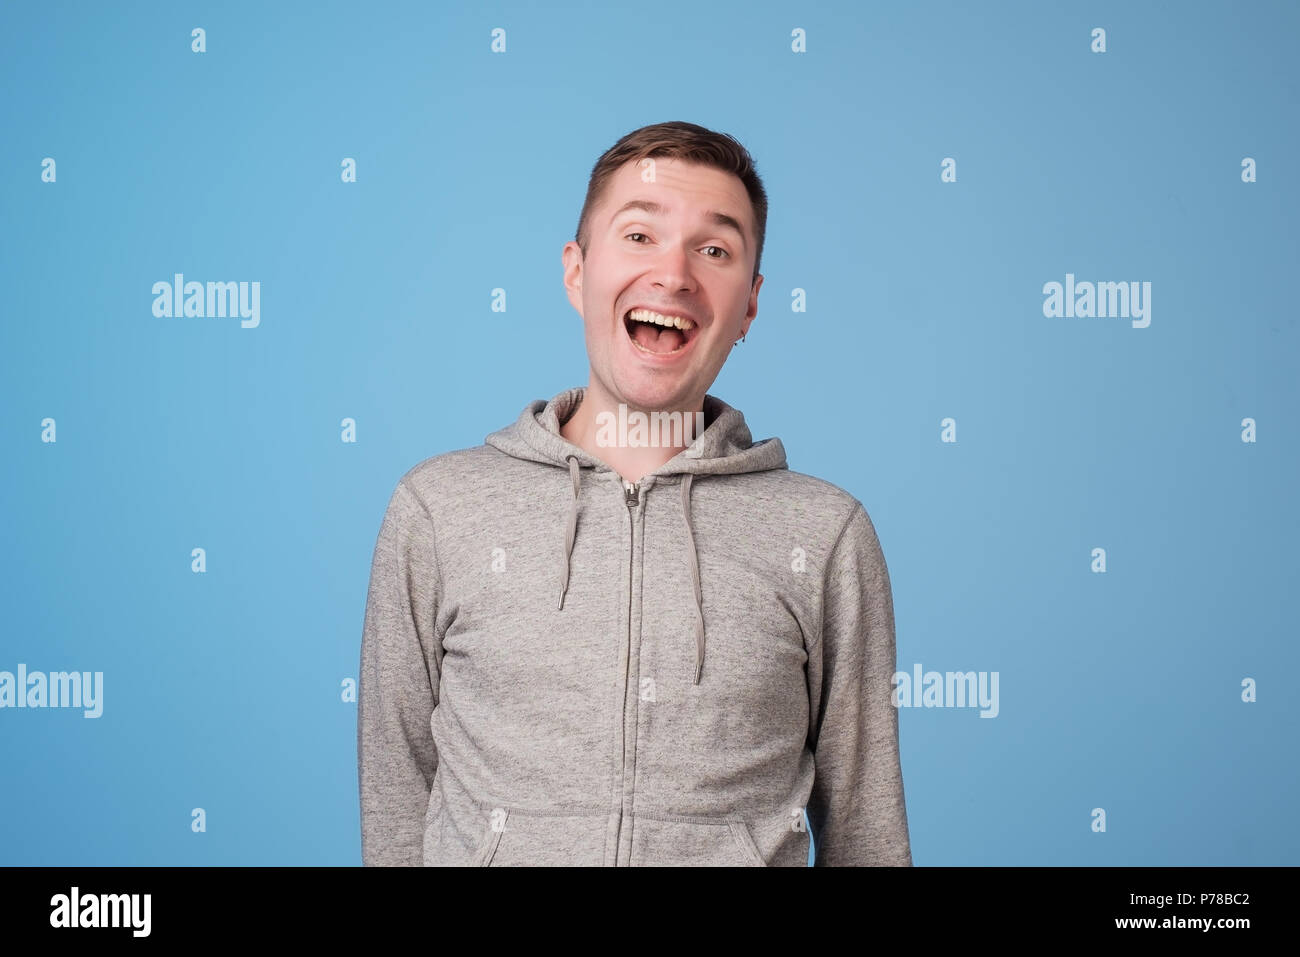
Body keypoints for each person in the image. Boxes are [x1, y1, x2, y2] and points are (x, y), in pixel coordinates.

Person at [358, 120, 912, 866]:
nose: (674, 275)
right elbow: (397, 807)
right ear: (577, 272)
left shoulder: (825, 534)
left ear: (748, 306)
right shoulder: (437, 510)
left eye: (713, 250)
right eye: (640, 236)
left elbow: (867, 836)